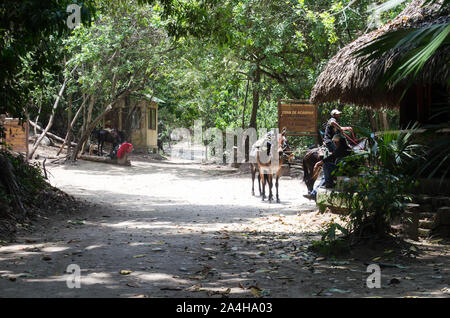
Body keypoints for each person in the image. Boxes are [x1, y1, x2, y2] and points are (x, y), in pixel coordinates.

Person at [303, 134, 351, 200]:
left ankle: (327, 185)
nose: (334, 144)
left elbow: (331, 157)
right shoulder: (347, 148)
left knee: (326, 165)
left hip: (341, 170)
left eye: (335, 143)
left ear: (337, 142)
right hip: (343, 169)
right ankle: (313, 193)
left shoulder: (340, 149)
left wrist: (318, 163)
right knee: (324, 177)